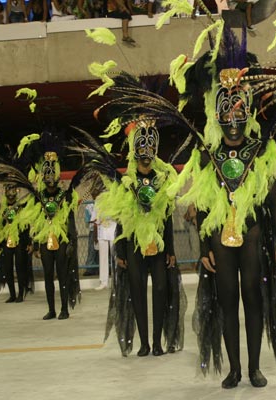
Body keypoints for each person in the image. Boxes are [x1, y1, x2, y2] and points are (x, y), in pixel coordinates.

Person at [174, 29, 276, 388]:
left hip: (254, 236)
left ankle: (255, 367)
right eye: (228, 111)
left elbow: (272, 199)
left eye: (240, 111)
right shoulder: (208, 155)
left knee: (253, 299)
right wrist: (205, 246)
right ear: (217, 114)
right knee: (227, 304)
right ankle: (234, 369)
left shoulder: (261, 149)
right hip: (221, 244)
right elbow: (206, 204)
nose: (235, 121)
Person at [95, 119, 184, 357]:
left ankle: (157, 343)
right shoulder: (126, 184)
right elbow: (122, 221)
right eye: (141, 148)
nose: (146, 154)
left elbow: (166, 218)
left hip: (158, 245)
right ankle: (144, 343)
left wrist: (171, 250)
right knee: (137, 293)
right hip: (133, 245)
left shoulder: (163, 180)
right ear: (134, 152)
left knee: (161, 291)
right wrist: (120, 251)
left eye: (150, 148)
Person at [20, 151, 81, 320]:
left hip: (61, 239)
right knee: (48, 275)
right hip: (45, 240)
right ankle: (51, 309)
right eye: (46, 173)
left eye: (52, 172)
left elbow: (70, 219)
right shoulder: (38, 197)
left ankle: (64, 309)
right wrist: (37, 245)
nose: (50, 177)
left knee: (62, 274)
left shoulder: (65, 195)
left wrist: (70, 241)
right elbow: (37, 221)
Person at [0, 184, 32, 302]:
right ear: (5, 192)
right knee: (7, 267)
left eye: (13, 190)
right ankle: (12, 294)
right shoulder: (1, 208)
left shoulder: (21, 207)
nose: (11, 193)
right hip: (6, 241)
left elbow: (26, 226)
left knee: (20, 267)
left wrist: (29, 243)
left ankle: (21, 293)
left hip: (20, 241)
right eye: (8, 190)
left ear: (17, 191)